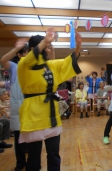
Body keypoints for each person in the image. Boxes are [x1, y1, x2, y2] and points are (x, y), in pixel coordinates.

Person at [17, 28, 82, 171]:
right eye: (45, 47)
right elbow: (30, 58)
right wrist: (46, 40)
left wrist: (78, 47)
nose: (47, 50)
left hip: (51, 115)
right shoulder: (24, 65)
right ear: (34, 48)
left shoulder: (50, 66)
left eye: (48, 47)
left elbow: (67, 63)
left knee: (53, 154)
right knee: (33, 158)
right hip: (33, 116)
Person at [0, 40, 29, 169]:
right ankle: (20, 162)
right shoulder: (14, 67)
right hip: (17, 107)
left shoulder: (32, 67)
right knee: (18, 137)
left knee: (30, 136)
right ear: (19, 55)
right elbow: (3, 60)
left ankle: (31, 161)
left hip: (30, 106)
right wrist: (16, 48)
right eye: (26, 53)